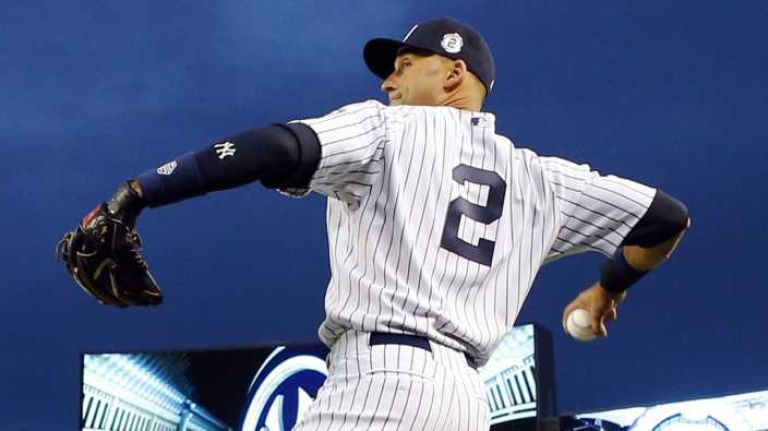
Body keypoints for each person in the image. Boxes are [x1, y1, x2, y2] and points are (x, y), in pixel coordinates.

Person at [59, 17, 689, 431]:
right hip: (467, 405)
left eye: (404, 64)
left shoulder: (385, 129)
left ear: (452, 73)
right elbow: (664, 217)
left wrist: (136, 194)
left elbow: (276, 148)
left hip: (381, 385)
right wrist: (607, 289)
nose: (388, 79)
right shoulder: (545, 181)